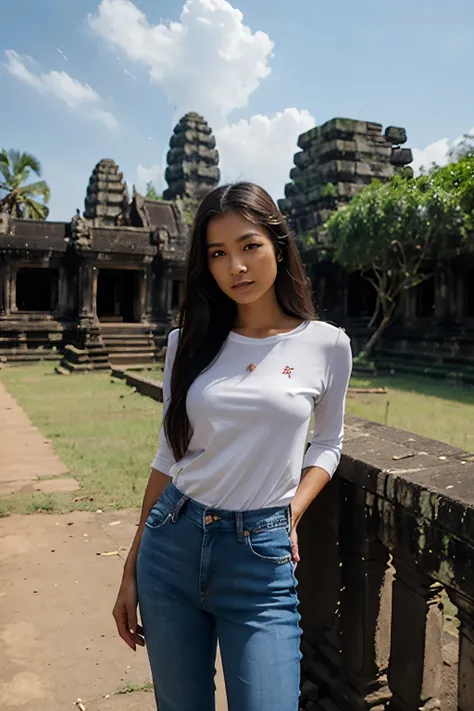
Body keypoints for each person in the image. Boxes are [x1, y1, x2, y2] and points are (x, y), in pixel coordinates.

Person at [112, 182, 352, 711]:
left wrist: (289, 512)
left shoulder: (326, 344)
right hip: (171, 544)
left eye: (248, 246)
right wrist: (130, 568)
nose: (235, 267)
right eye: (218, 254)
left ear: (278, 245)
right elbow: (169, 455)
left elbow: (328, 443)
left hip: (259, 559)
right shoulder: (188, 342)